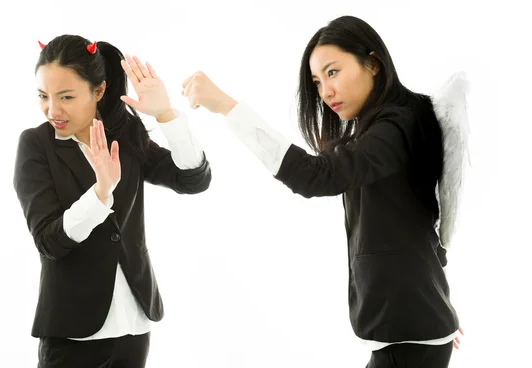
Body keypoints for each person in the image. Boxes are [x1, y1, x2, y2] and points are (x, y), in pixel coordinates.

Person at [181, 15, 467, 368]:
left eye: (333, 72)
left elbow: (314, 177)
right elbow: (422, 218)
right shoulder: (404, 117)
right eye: (317, 81)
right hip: (414, 330)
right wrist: (435, 313)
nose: (325, 91)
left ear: (373, 64)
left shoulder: (396, 126)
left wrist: (226, 106)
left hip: (409, 337)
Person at [13, 35, 211, 368]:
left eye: (66, 97)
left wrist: (165, 114)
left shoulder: (125, 136)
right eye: (43, 96)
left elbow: (192, 180)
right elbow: (49, 241)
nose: (53, 109)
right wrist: (100, 194)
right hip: (72, 332)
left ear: (99, 91)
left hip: (133, 325)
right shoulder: (36, 145)